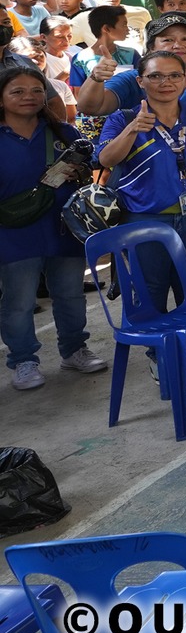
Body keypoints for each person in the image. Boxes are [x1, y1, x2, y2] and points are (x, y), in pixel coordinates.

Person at [96, 50, 186, 369]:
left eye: (174, 75)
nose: (166, 82)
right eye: (156, 76)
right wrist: (133, 130)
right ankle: (157, 351)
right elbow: (106, 160)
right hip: (144, 217)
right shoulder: (123, 118)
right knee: (151, 283)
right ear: (141, 81)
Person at [0, 64, 104, 390]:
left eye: (35, 91)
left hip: (63, 229)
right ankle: (24, 361)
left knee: (71, 295)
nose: (28, 97)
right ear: (1, 97)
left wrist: (80, 173)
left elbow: (93, 168)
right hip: (14, 234)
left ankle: (74, 349)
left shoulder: (64, 133)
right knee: (18, 301)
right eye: (17, 91)